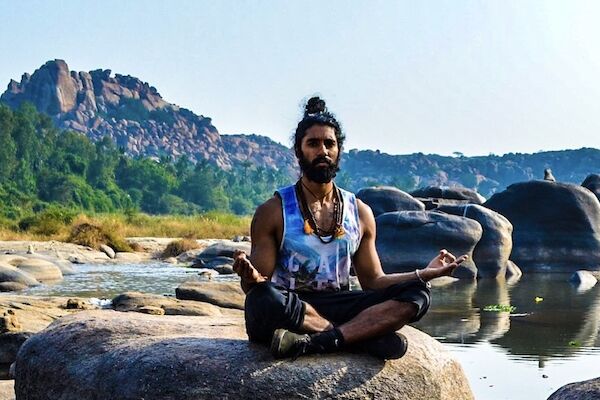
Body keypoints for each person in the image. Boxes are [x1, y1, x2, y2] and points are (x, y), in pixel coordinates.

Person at [233, 96, 467, 360]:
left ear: (338, 151)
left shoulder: (360, 212)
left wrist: (423, 274)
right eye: (313, 144)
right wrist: (251, 279)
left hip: (339, 304)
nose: (322, 151)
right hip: (292, 306)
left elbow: (373, 281)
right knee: (262, 298)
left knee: (418, 294)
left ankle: (321, 341)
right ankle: (356, 338)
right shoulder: (273, 211)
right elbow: (257, 287)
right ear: (299, 152)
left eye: (329, 144)